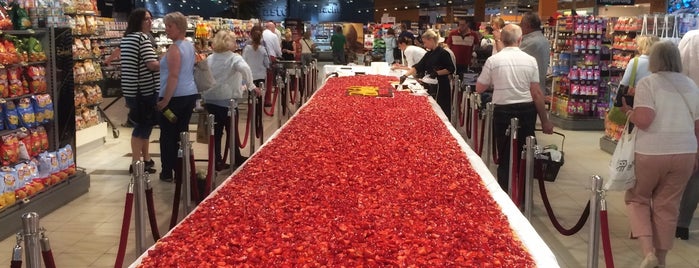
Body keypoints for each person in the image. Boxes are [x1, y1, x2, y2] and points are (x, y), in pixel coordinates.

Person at [619, 41, 699, 268]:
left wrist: (629, 112)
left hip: (652, 152)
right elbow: (697, 126)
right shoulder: (692, 86)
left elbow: (644, 120)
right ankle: (662, 259)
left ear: (654, 59)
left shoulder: (648, 83)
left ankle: (648, 253)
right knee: (668, 205)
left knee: (637, 198)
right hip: (685, 151)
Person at [475, 24, 554, 192]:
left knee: (504, 155)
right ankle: (523, 196)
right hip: (527, 110)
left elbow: (479, 88)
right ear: (520, 39)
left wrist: (495, 83)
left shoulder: (493, 60)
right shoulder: (530, 60)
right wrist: (545, 121)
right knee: (525, 154)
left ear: (502, 39)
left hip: (502, 110)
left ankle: (505, 195)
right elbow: (536, 93)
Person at [203, 30, 259, 171]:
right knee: (231, 131)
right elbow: (245, 69)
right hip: (228, 101)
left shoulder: (210, 58)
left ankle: (217, 160)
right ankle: (236, 157)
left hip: (210, 99)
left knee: (215, 133)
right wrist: (251, 85)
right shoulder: (234, 57)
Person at [156, 12, 198, 182]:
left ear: (179, 27)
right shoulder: (189, 45)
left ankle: (167, 171)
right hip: (189, 94)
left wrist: (165, 100)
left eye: (169, 26)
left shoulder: (174, 48)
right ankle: (182, 168)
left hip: (174, 97)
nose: (166, 30)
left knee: (167, 135)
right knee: (182, 132)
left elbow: (173, 76)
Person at [120, 8, 159, 174]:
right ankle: (136, 163)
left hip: (131, 90)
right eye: (146, 19)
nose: (149, 22)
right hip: (144, 90)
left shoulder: (127, 38)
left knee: (144, 125)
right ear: (138, 22)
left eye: (150, 19)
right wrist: (168, 59)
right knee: (142, 127)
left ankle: (147, 159)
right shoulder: (142, 38)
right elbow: (152, 64)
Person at [676, 28, 699, 240]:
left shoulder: (692, 37)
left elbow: (678, 72)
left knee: (690, 172)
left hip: (689, 113)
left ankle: (681, 222)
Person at [400, 30, 454, 119]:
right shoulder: (429, 53)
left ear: (431, 40)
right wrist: (405, 75)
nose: (424, 45)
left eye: (425, 42)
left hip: (441, 86)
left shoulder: (443, 53)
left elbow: (450, 69)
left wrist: (437, 73)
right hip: (431, 84)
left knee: (441, 110)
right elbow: (418, 66)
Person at [615, 35, 659, 107]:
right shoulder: (661, 63)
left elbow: (624, 84)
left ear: (642, 47)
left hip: (636, 102)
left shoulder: (635, 62)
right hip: (655, 103)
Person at [519, 12, 551, 96]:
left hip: (528, 93)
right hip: (538, 89)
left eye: (521, 25)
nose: (520, 28)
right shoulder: (543, 40)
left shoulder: (531, 42)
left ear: (528, 25)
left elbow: (510, 59)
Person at [263, 21, 282, 107]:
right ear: (272, 28)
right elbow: (277, 49)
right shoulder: (273, 36)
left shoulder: (261, 34)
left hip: (260, 58)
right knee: (269, 79)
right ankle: (267, 100)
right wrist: (280, 56)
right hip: (271, 57)